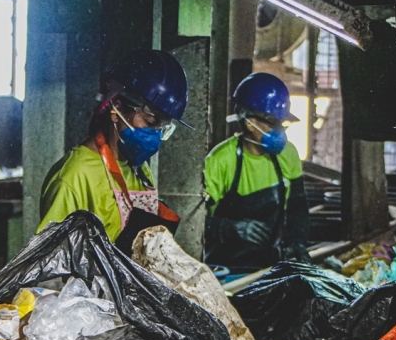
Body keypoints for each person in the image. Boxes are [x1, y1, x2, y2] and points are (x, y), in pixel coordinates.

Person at [37, 49, 191, 254]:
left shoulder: (140, 170)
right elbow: (49, 264)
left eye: (163, 129)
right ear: (116, 109)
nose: (155, 135)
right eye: (151, 121)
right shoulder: (74, 176)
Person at [203, 73, 309, 272]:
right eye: (273, 123)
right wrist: (230, 229)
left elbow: (297, 207)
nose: (280, 131)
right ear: (249, 122)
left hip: (269, 267)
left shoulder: (289, 153)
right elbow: (196, 220)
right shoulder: (221, 160)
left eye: (282, 124)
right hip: (226, 272)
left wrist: (298, 242)